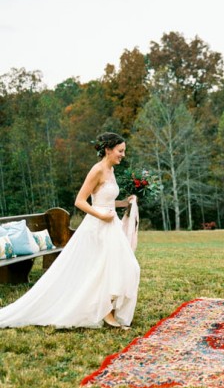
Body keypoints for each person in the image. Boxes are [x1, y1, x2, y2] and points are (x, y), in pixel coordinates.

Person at [0, 132, 140, 329]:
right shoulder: (97, 170)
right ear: (108, 150)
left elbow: (104, 200)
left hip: (111, 226)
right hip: (98, 227)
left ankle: (107, 307)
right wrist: (101, 216)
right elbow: (80, 201)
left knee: (126, 267)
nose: (123, 155)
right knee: (103, 269)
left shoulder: (111, 170)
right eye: (120, 151)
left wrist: (125, 202)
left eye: (123, 151)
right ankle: (106, 313)